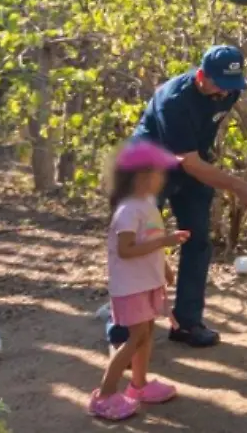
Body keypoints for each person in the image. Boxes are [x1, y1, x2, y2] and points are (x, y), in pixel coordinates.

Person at [128, 45, 247, 348]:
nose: (224, 94)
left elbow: (193, 158)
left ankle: (187, 323)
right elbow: (188, 162)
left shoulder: (229, 91)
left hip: (190, 165)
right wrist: (239, 186)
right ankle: (125, 332)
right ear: (201, 75)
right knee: (141, 244)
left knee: (198, 240)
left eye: (231, 86)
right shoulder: (174, 102)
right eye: (219, 85)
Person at [92, 139, 189, 420]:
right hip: (130, 287)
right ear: (141, 176)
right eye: (159, 173)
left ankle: (139, 385)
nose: (163, 179)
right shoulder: (127, 211)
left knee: (146, 335)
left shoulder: (146, 204)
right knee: (135, 338)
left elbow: (151, 241)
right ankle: (105, 395)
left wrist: (165, 268)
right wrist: (167, 242)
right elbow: (126, 250)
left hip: (146, 283)